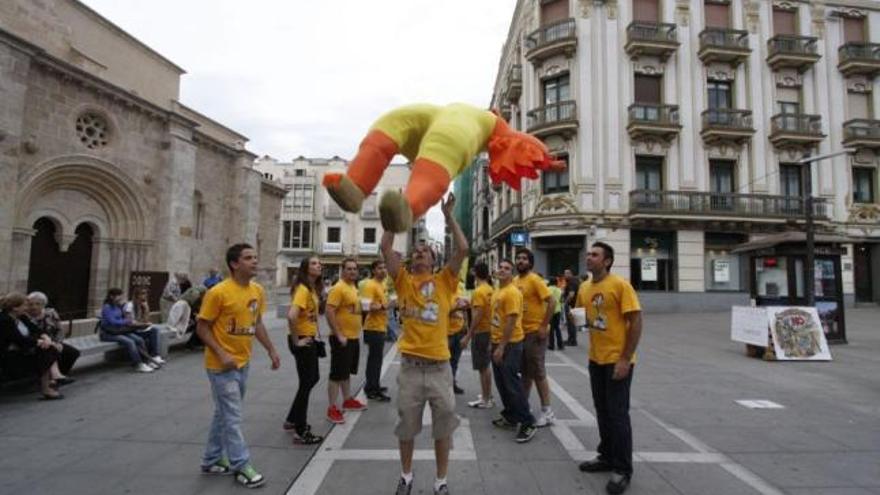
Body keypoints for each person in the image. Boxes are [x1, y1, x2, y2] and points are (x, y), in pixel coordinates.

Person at [381, 192, 465, 495]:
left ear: (434, 260)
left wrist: (449, 216)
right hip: (411, 368)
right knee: (407, 427)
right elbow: (385, 247)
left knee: (443, 428)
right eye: (416, 250)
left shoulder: (445, 281)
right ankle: (406, 476)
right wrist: (397, 216)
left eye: (426, 250)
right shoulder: (402, 280)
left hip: (440, 367)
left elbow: (464, 248)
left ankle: (441, 481)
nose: (420, 252)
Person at [196, 243, 281, 488]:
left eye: (255, 256)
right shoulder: (218, 292)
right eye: (248, 258)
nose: (255, 261)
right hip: (221, 366)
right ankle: (241, 465)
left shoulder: (257, 290)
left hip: (243, 364)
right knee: (232, 416)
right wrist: (221, 354)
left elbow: (257, 324)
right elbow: (202, 327)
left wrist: (272, 350)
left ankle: (211, 459)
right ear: (234, 264)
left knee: (223, 413)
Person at [575, 242, 643, 495]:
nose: (589, 257)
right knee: (602, 410)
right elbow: (585, 318)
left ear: (607, 261)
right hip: (596, 359)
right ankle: (606, 456)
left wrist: (625, 359)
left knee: (618, 414)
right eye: (588, 254)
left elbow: (636, 322)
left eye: (595, 255)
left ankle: (623, 469)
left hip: (618, 359)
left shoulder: (620, 285)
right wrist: (578, 322)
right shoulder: (584, 287)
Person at [489, 259, 537, 443]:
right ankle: (510, 416)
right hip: (497, 342)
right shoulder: (498, 291)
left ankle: (527, 422)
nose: (502, 270)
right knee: (502, 383)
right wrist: (492, 344)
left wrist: (501, 346)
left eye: (507, 269)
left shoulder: (512, 293)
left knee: (512, 384)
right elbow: (496, 318)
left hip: (510, 344)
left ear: (512, 273)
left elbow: (511, 321)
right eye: (500, 267)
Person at [284, 255, 325, 444]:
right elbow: (292, 316)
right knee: (307, 381)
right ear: (305, 268)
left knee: (309, 380)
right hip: (302, 340)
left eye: (319, 263)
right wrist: (295, 341)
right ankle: (300, 429)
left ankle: (293, 418)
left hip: (309, 338)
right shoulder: (302, 289)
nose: (319, 266)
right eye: (314, 263)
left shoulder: (311, 288)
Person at [513, 248, 555, 427]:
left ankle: (547, 412)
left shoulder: (535, 280)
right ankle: (524, 407)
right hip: (520, 334)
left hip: (535, 333)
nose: (520, 261)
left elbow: (552, 301)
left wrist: (544, 325)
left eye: (524, 259)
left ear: (530, 263)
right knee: (525, 373)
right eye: (518, 258)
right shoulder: (515, 281)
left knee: (537, 372)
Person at [325, 258, 368, 424]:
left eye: (354, 269)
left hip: (353, 337)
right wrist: (338, 334)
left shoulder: (353, 287)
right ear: (342, 271)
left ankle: (348, 399)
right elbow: (329, 312)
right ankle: (332, 408)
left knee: (346, 371)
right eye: (349, 269)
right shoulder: (338, 288)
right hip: (341, 338)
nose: (352, 272)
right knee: (336, 374)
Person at [0, 292, 63, 399]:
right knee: (48, 350)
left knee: (48, 350)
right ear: (15, 308)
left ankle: (46, 386)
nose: (27, 307)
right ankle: (46, 387)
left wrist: (46, 338)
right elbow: (18, 339)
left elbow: (36, 329)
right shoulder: (4, 319)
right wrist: (40, 342)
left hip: (21, 349)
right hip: (6, 354)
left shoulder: (22, 317)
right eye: (25, 305)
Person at [99, 288, 163, 373]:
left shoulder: (117, 306)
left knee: (139, 340)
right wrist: (126, 321)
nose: (121, 298)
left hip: (119, 330)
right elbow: (112, 321)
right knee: (130, 342)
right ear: (111, 296)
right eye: (118, 296)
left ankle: (146, 361)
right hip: (108, 333)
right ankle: (138, 364)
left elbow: (122, 318)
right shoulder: (107, 307)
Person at [25, 291, 80, 383]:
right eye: (31, 304)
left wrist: (58, 342)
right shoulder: (26, 316)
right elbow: (31, 334)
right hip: (39, 344)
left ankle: (60, 375)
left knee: (73, 352)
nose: (34, 307)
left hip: (53, 341)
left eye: (37, 304)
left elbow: (59, 330)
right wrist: (50, 343)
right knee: (52, 352)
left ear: (43, 305)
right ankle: (52, 378)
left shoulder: (51, 313)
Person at [461, 262, 495, 409]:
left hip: (481, 331)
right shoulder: (490, 289)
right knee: (485, 365)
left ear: (475, 273)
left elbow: (478, 315)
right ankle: (487, 394)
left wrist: (468, 334)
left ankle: (486, 399)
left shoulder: (479, 291)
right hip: (489, 329)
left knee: (483, 367)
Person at [361, 260, 392, 401]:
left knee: (377, 359)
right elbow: (366, 306)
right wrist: (385, 306)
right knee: (374, 360)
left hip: (380, 326)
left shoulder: (382, 284)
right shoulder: (370, 285)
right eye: (380, 268)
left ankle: (374, 384)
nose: (383, 270)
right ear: (373, 271)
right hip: (372, 327)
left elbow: (382, 302)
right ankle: (372, 389)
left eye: (385, 267)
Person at [123, 287, 166, 364]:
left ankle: (154, 355)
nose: (145, 296)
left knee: (154, 330)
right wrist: (144, 324)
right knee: (151, 331)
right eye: (142, 294)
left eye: (145, 293)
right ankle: (148, 358)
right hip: (129, 330)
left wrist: (146, 309)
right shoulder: (129, 306)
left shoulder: (141, 305)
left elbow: (145, 320)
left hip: (138, 329)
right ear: (137, 295)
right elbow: (129, 323)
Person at [447, 289, 468, 395]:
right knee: (444, 362)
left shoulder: (459, 289)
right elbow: (441, 313)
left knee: (454, 361)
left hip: (459, 331)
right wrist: (455, 308)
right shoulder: (441, 292)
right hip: (447, 333)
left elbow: (464, 310)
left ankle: (452, 384)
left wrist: (466, 325)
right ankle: (444, 386)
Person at [562, 269, 580, 346]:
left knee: (571, 323)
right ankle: (572, 339)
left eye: (566, 273)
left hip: (571, 305)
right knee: (573, 323)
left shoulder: (571, 282)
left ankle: (572, 340)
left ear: (570, 274)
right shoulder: (575, 280)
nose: (564, 275)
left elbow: (571, 294)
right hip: (575, 305)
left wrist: (566, 303)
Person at [547, 279, 565, 350]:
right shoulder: (559, 290)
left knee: (551, 328)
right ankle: (560, 345)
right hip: (558, 310)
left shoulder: (547, 289)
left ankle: (551, 345)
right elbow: (561, 300)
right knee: (557, 328)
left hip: (550, 310)